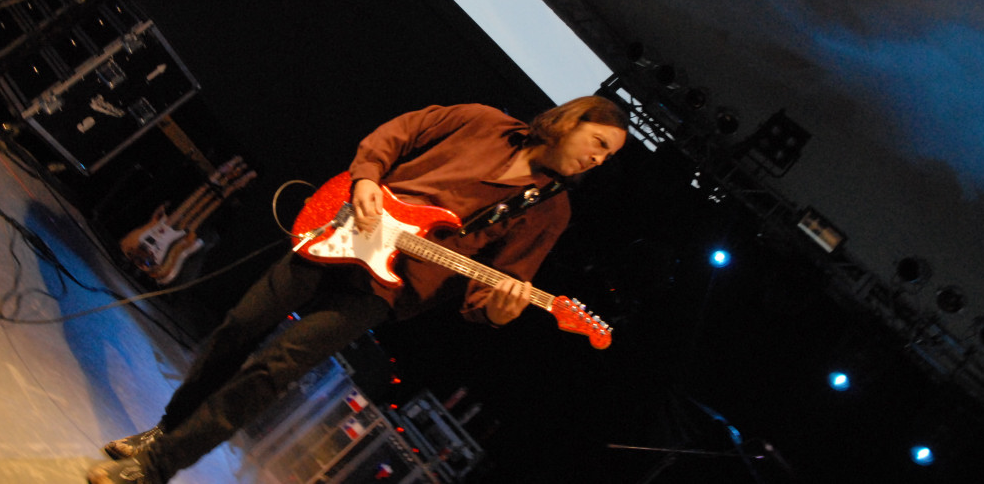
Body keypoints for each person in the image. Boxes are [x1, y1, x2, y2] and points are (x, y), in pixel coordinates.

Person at [87, 96, 628, 484]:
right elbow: (400, 132)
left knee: (275, 368)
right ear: (572, 120)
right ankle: (167, 430)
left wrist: (501, 312)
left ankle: (158, 466)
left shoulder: (550, 211)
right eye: (599, 143)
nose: (599, 160)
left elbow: (489, 295)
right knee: (239, 327)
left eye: (608, 158)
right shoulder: (483, 121)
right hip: (346, 225)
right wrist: (367, 179)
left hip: (386, 289)